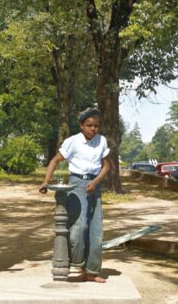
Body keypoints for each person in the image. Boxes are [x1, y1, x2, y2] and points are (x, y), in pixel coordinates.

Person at [39, 108, 111, 283]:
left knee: (96, 230)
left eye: (96, 126)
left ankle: (91, 272)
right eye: (89, 125)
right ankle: (78, 263)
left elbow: (106, 166)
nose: (93, 129)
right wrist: (45, 182)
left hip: (95, 185)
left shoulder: (101, 141)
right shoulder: (73, 142)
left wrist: (95, 182)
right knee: (78, 228)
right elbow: (55, 160)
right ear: (81, 126)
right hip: (76, 184)